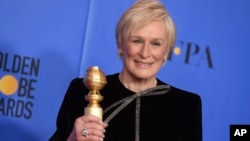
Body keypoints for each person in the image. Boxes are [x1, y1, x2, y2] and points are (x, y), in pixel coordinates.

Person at [49, 0, 202, 141]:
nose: (145, 53)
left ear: (166, 51)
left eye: (156, 43)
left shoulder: (186, 106)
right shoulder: (81, 90)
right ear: (120, 44)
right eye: (137, 41)